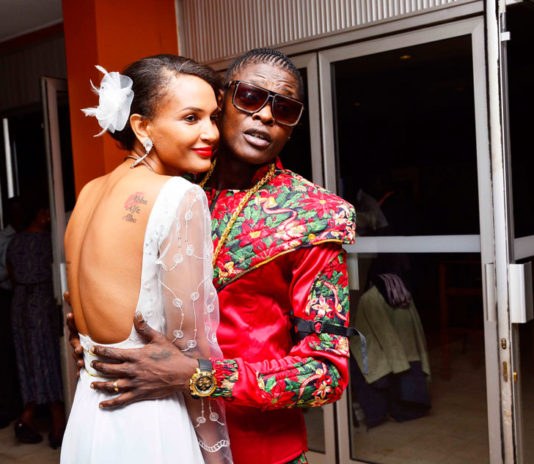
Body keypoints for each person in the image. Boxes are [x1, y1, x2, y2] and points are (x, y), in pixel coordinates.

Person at [69, 48, 357, 464]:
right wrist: (99, 339)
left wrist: (200, 376)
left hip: (260, 447)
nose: (266, 116)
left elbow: (326, 373)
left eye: (285, 108)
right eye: (250, 97)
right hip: (162, 432)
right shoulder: (171, 185)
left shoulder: (314, 216)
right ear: (221, 104)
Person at [60, 55, 232, 464]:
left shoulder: (89, 193)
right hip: (151, 420)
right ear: (141, 126)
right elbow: (190, 350)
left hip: (89, 415)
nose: (211, 133)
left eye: (213, 117)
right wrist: (215, 453)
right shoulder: (179, 195)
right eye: (191, 118)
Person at [7, 205, 64, 447]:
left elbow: (11, 275)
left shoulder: (14, 243)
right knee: (48, 357)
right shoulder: (50, 241)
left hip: (19, 302)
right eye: (44, 212)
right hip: (42, 300)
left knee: (28, 359)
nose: (49, 216)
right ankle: (57, 422)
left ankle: (27, 417)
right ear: (38, 216)